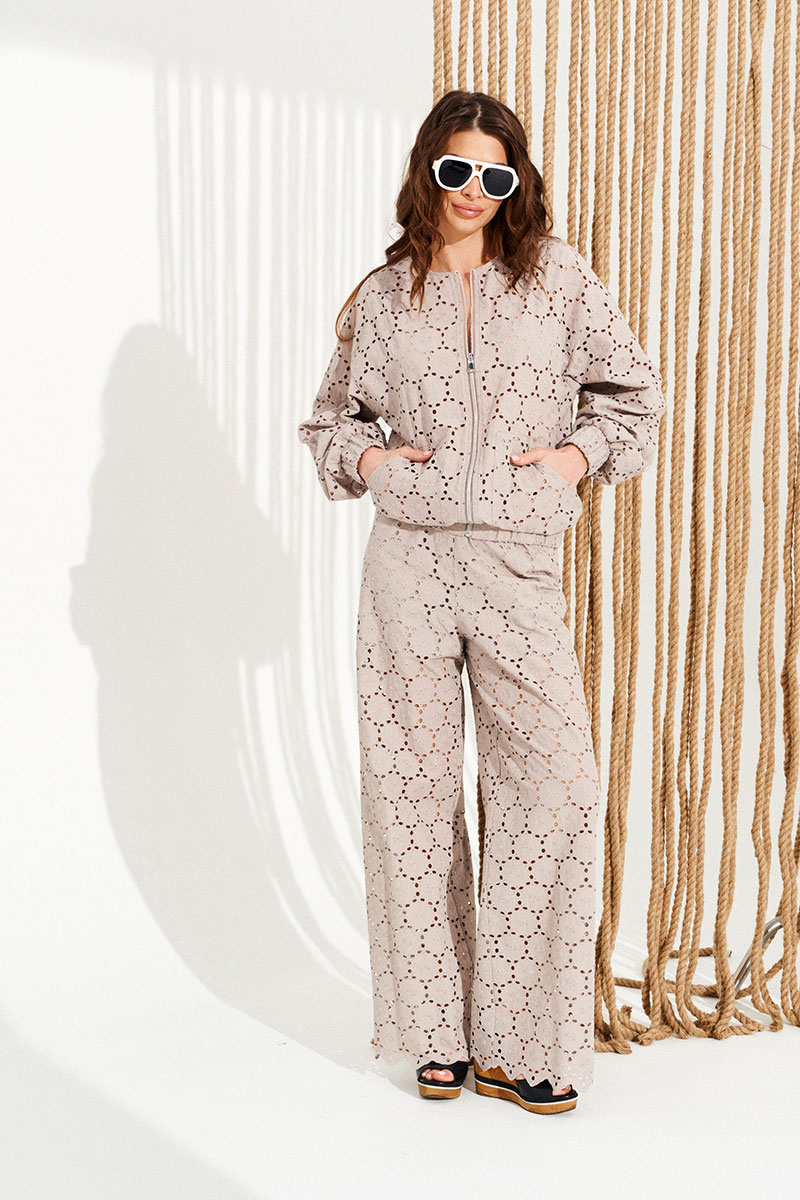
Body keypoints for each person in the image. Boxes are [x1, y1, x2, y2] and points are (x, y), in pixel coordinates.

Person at [296, 89, 665, 1115]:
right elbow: (329, 421)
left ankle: (526, 1039)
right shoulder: (383, 297)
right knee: (410, 794)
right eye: (455, 170)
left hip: (516, 563)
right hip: (407, 566)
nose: (472, 191)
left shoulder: (557, 281)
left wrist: (571, 460)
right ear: (428, 171)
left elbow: (634, 396)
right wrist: (371, 460)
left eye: (493, 175)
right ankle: (436, 1037)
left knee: (553, 782)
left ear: (515, 183)